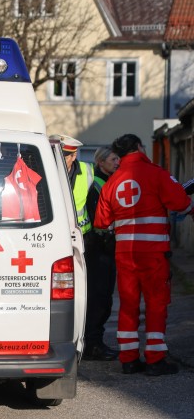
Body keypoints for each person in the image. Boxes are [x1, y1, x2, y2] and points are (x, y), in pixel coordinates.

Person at [95, 134, 194, 376]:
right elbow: (180, 201)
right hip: (153, 253)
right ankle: (155, 359)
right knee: (156, 304)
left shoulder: (111, 183)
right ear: (139, 147)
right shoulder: (156, 173)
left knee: (128, 305)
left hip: (125, 254)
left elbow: (101, 221)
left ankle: (128, 359)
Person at [82, 146, 120, 360]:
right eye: (114, 159)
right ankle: (93, 345)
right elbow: (99, 219)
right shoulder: (97, 184)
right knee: (99, 298)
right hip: (98, 248)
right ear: (101, 162)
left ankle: (94, 342)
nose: (117, 162)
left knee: (103, 298)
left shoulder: (107, 181)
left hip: (103, 247)